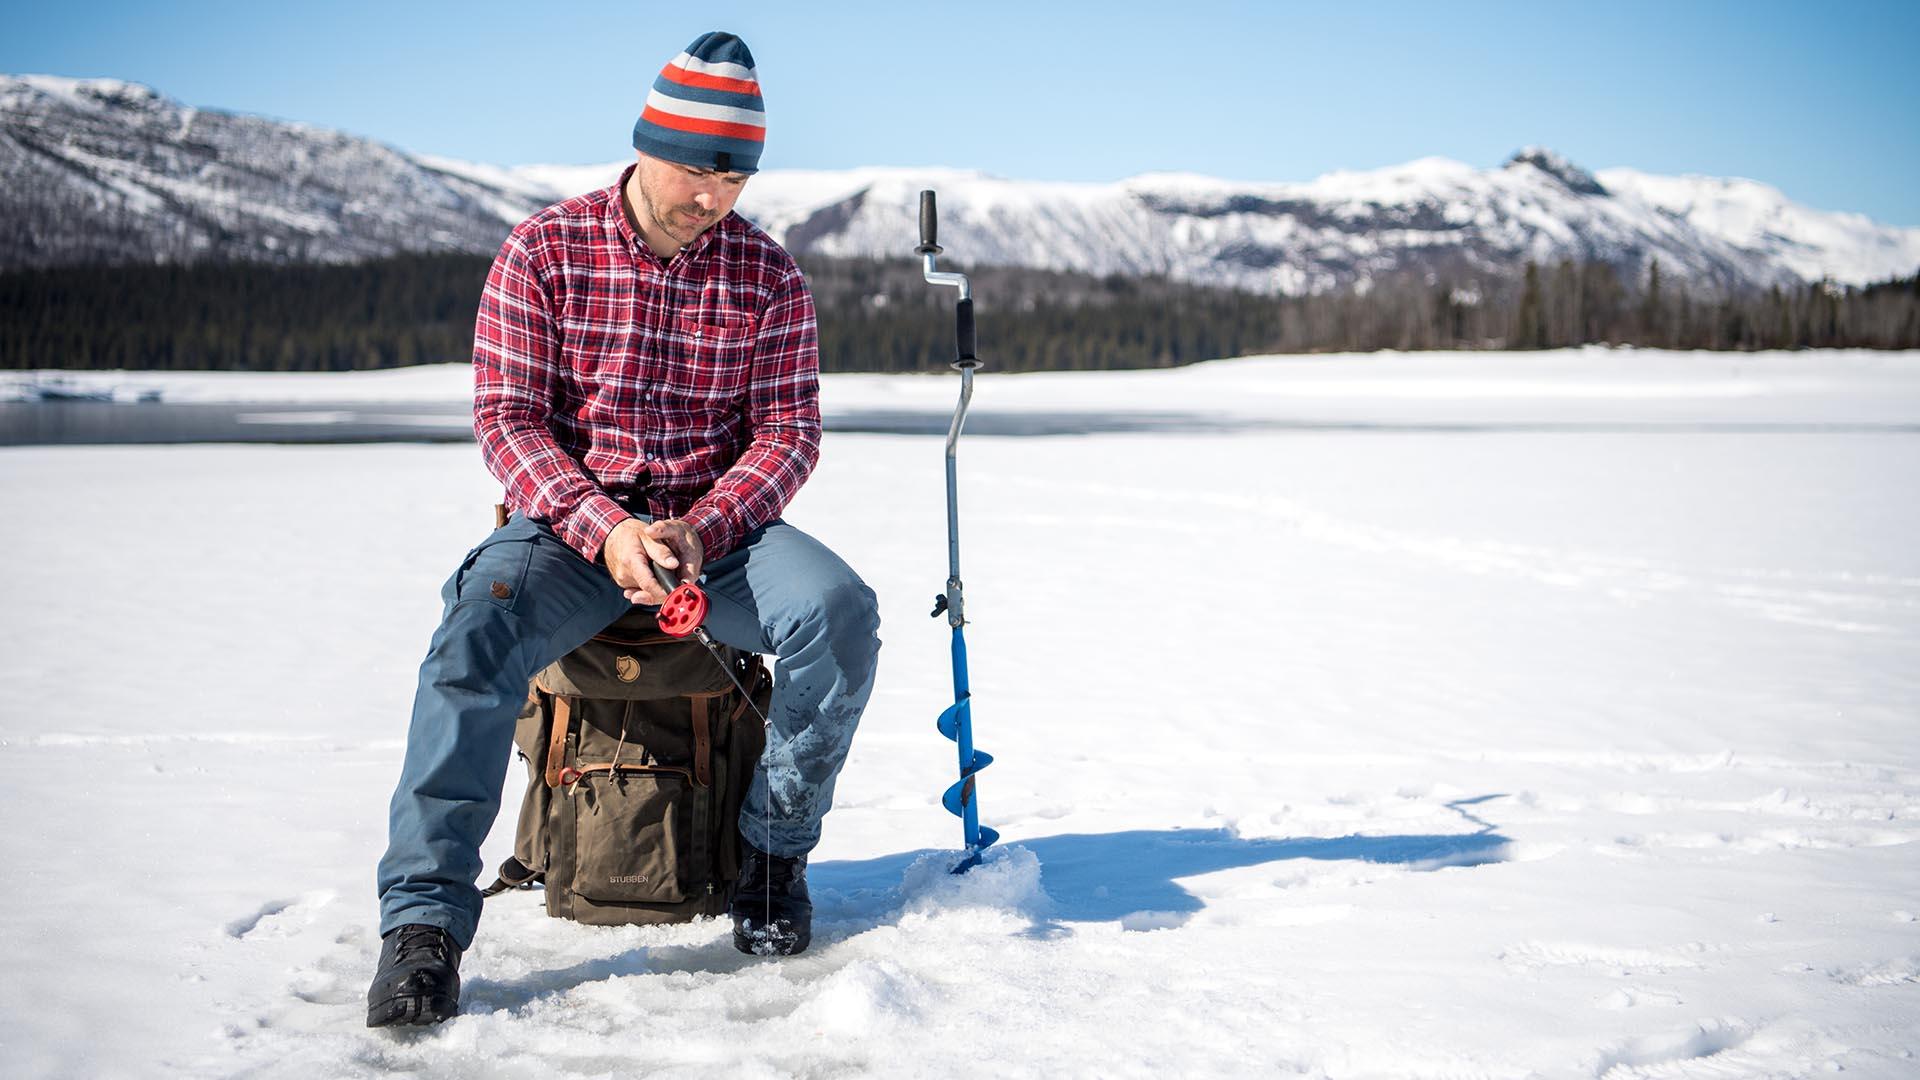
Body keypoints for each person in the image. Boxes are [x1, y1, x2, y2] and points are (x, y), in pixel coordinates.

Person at [366, 31, 881, 1028]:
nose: (714, 197)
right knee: (474, 630)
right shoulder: (544, 251)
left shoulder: (768, 279)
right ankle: (423, 922)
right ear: (645, 147)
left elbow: (788, 433)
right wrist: (604, 528)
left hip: (715, 539)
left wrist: (708, 521)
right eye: (697, 170)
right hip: (567, 532)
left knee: (837, 611)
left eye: (736, 176)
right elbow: (508, 420)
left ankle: (773, 857)